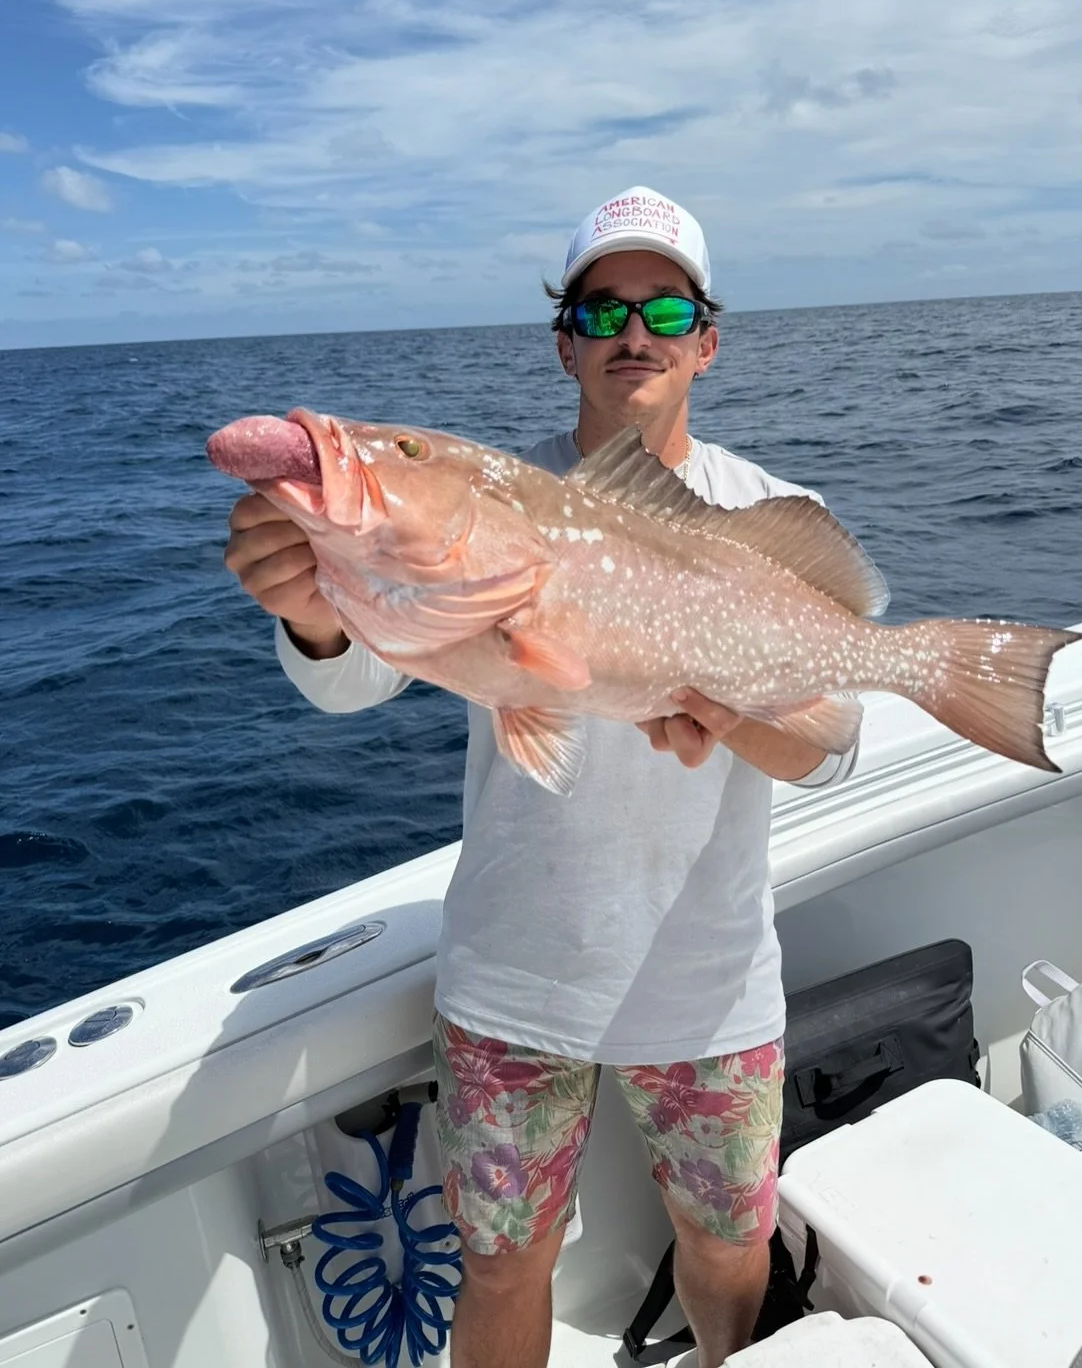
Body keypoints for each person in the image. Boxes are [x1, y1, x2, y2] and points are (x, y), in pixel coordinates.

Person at [223, 186, 858, 1368]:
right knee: (504, 1256)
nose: (633, 330)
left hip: (708, 973)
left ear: (704, 341)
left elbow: (829, 740)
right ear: (564, 339)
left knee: (728, 1242)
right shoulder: (483, 511)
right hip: (514, 972)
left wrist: (730, 712)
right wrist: (315, 613)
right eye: (599, 306)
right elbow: (352, 678)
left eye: (663, 306)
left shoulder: (774, 515)